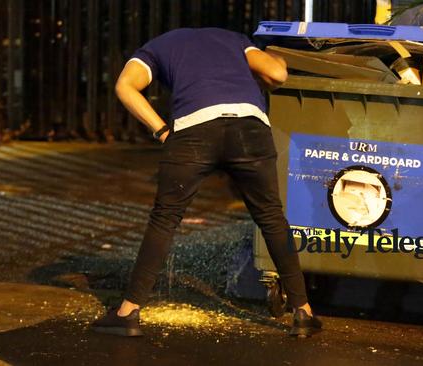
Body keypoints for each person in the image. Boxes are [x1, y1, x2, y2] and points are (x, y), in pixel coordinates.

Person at [91, 27, 321, 337]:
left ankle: (128, 312)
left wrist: (161, 130)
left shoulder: (157, 46)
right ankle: (303, 312)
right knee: (270, 216)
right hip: (249, 127)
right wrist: (273, 55)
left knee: (165, 219)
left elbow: (125, 86)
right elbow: (278, 74)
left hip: (195, 129)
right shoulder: (234, 40)